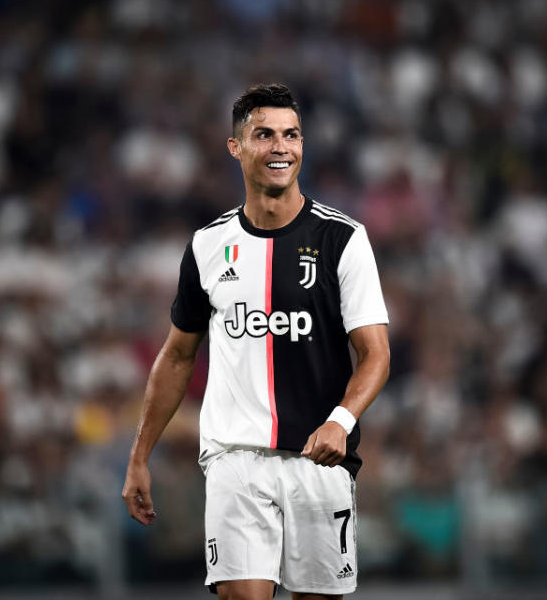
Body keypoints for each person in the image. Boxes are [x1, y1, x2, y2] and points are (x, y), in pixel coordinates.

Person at [122, 83, 390, 599]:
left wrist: (340, 420)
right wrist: (140, 455)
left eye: (291, 135)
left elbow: (376, 355)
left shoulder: (344, 239)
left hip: (321, 461)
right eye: (264, 135)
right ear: (236, 146)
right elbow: (177, 355)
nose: (280, 147)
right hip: (234, 458)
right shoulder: (208, 245)